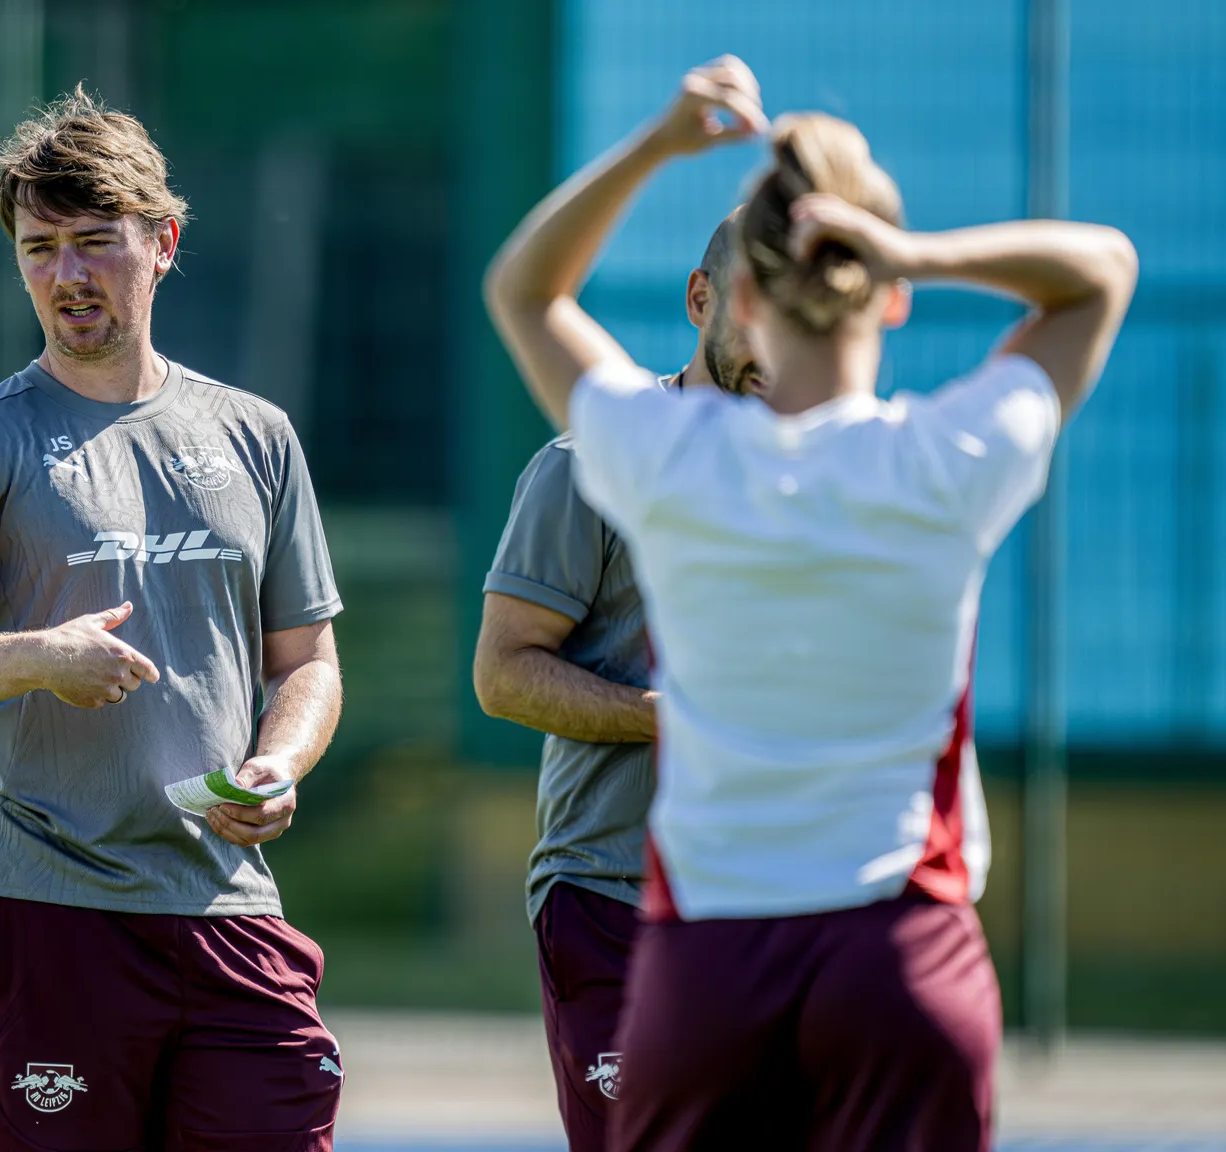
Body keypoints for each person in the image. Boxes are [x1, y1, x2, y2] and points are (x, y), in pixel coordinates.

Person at [484, 56, 1135, 1151]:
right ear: (887, 296)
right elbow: (1099, 270)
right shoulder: (942, 457)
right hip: (899, 956)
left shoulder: (668, 461)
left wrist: (656, 142)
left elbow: (525, 290)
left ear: (736, 297)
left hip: (708, 965)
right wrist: (912, 251)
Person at [0, 86, 346, 1151]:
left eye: (95, 243)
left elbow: (307, 658)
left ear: (163, 243)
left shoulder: (256, 434)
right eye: (39, 248)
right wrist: (40, 657)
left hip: (228, 902)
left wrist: (279, 763)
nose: (67, 276)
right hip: (46, 906)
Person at [473, 209, 753, 1152]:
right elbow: (503, 676)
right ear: (699, 299)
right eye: (754, 304)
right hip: (612, 894)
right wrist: (674, 721)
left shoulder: (832, 477)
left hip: (781, 908)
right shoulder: (590, 461)